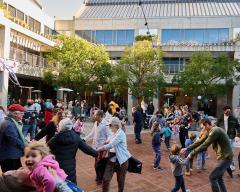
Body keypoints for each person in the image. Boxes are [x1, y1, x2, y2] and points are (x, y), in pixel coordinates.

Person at [183, 118, 235, 192]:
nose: (202, 130)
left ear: (207, 124)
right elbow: (200, 141)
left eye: (203, 127)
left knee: (212, 177)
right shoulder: (210, 130)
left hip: (225, 157)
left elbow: (205, 145)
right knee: (219, 178)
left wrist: (191, 153)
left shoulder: (215, 131)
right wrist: (187, 148)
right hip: (223, 157)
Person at [48, 118, 98, 183]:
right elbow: (87, 149)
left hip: (57, 170)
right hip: (70, 171)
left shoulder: (54, 139)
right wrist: (96, 154)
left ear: (60, 127)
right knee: (71, 187)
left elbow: (44, 149)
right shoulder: (76, 137)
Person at [97, 117, 131, 192]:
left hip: (121, 161)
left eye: (110, 125)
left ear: (115, 125)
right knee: (106, 179)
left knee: (120, 181)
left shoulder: (120, 134)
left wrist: (99, 149)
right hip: (111, 160)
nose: (109, 127)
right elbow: (109, 139)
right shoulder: (113, 132)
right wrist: (107, 141)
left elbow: (111, 145)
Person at [83, 110, 111, 184]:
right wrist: (84, 139)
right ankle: (99, 175)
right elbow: (92, 133)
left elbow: (109, 135)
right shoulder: (96, 123)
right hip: (95, 147)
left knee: (99, 163)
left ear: (100, 116)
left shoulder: (106, 124)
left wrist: (107, 141)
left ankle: (100, 178)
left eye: (95, 115)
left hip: (102, 147)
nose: (94, 116)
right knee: (97, 163)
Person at [0, 104, 26, 172]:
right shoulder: (9, 124)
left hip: (12, 155)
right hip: (10, 157)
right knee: (11, 178)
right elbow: (14, 140)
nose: (23, 115)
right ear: (15, 114)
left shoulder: (10, 122)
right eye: (21, 113)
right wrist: (25, 147)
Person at [217, 105, 240, 170]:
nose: (228, 112)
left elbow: (238, 127)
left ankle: (231, 165)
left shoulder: (233, 118)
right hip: (222, 137)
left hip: (230, 137)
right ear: (224, 111)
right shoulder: (220, 118)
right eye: (227, 111)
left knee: (230, 151)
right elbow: (216, 127)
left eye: (229, 111)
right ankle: (221, 165)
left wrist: (238, 136)